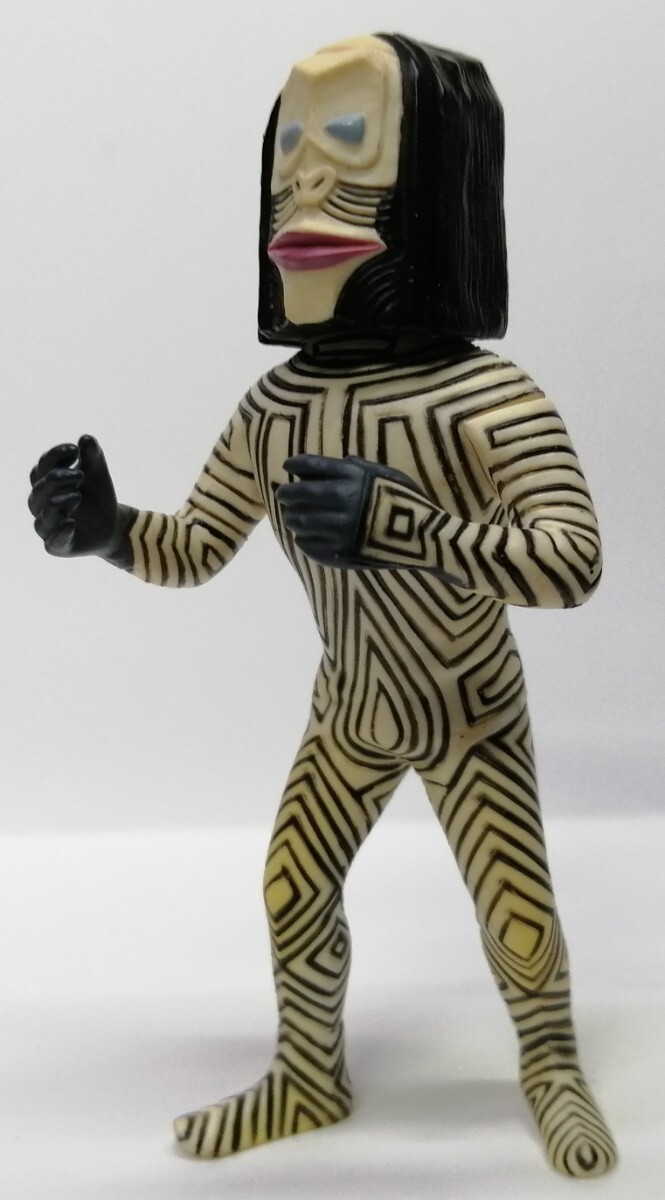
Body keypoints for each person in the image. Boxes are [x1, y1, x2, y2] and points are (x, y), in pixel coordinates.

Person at [28, 34, 617, 1177]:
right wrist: (108, 531)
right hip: (347, 708)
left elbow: (568, 562)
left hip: (467, 707)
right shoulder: (275, 406)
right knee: (291, 888)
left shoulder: (486, 400)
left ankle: (549, 1065)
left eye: (348, 145)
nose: (304, 193)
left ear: (435, 185)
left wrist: (405, 526)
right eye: (288, 160)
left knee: (515, 914)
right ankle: (308, 1072)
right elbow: (196, 548)